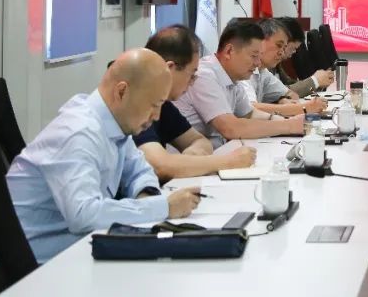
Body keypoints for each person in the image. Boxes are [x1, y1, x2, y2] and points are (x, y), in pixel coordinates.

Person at [5, 49, 202, 263]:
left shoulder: (114, 123)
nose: (156, 116)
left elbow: (139, 170)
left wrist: (146, 198)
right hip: (33, 266)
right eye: (154, 105)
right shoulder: (78, 133)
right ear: (122, 92)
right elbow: (84, 215)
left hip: (74, 250)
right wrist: (163, 207)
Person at [135, 25, 257, 182]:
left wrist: (193, 154)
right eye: (192, 74)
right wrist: (228, 162)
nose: (193, 82)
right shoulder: (136, 104)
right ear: (170, 69)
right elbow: (160, 166)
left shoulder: (164, 105)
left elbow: (199, 140)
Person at [174, 19, 307, 148]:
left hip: (216, 150)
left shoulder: (232, 77)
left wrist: (289, 122)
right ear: (229, 51)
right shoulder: (204, 75)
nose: (258, 63)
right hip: (192, 157)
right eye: (254, 56)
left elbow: (250, 114)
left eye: (259, 56)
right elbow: (230, 128)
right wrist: (289, 126)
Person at [245, 18, 330, 117]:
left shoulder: (263, 71)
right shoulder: (243, 70)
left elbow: (290, 93)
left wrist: (282, 100)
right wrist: (305, 108)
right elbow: (249, 109)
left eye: (284, 47)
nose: (281, 53)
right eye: (279, 45)